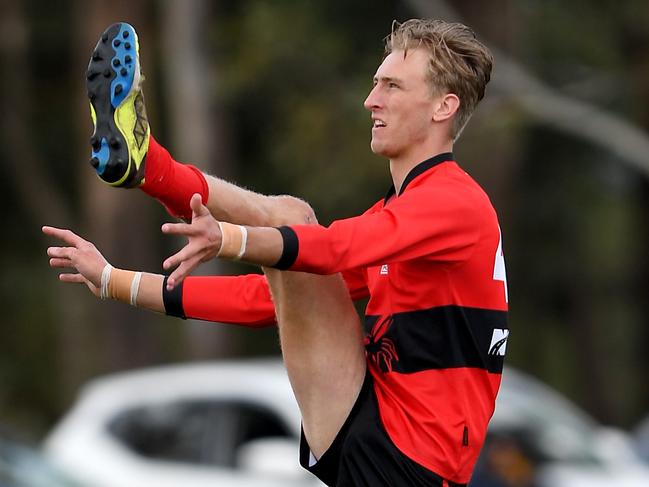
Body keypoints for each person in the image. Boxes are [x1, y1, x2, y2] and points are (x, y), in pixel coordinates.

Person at [45, 19, 508, 486]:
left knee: (294, 221)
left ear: (443, 106)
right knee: (291, 217)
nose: (371, 100)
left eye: (391, 86)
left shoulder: (454, 203)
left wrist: (231, 240)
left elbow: (333, 249)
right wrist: (111, 280)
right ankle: (146, 167)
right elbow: (269, 300)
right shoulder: (405, 212)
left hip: (410, 463)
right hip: (375, 431)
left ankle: (151, 168)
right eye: (375, 84)